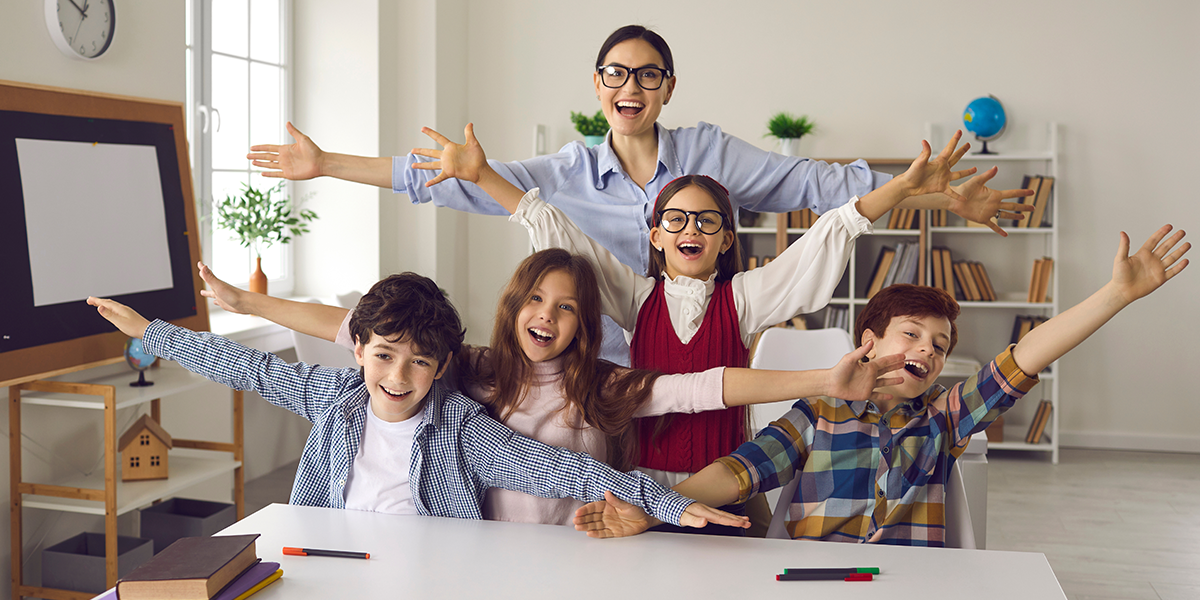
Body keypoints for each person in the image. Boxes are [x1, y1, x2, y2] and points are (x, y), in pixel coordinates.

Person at [245, 24, 1033, 366]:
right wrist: (327, 164)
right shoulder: (561, 174)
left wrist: (929, 198)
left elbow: (821, 193)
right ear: (599, 87)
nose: (631, 86)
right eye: (616, 73)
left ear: (666, 89)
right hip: (595, 362)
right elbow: (450, 182)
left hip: (697, 350)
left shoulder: (708, 157)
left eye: (648, 74)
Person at [411, 124, 972, 530]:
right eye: (675, 219)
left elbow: (827, 237)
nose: (692, 229)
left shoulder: (743, 299)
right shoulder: (636, 296)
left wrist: (898, 189)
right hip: (642, 482)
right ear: (656, 236)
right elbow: (557, 227)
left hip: (729, 478)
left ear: (727, 239)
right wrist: (482, 174)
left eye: (709, 221)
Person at [572, 225, 1190, 544]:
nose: (926, 350)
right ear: (867, 342)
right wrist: (656, 513)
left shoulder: (945, 418)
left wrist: (1116, 295)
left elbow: (1024, 357)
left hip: (909, 581)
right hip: (815, 578)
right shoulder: (818, 413)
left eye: (940, 346)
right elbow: (740, 470)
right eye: (912, 334)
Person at [194, 253, 905, 529]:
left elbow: (707, 388)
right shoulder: (471, 369)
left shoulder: (605, 387)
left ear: (584, 323)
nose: (548, 315)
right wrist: (247, 305)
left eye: (566, 306)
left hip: (582, 554)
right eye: (536, 298)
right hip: (488, 556)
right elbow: (356, 326)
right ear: (514, 305)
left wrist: (820, 379)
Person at [85, 273, 746, 529]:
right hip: (328, 554)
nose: (397, 377)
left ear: (442, 368)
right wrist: (153, 333)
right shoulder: (333, 396)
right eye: (383, 356)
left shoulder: (462, 430)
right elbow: (249, 367)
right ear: (358, 350)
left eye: (419, 362)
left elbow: (567, 470)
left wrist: (667, 501)